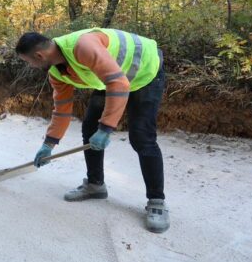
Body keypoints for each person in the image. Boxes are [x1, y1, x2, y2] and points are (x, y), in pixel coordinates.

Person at [15, 28, 169, 233]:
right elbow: (62, 110)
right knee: (89, 127)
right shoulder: (56, 73)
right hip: (113, 77)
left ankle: (157, 201)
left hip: (145, 72)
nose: (31, 66)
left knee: (142, 136)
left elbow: (119, 82)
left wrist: (106, 128)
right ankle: (95, 185)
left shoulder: (83, 46)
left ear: (39, 55)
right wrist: (49, 144)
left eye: (29, 62)